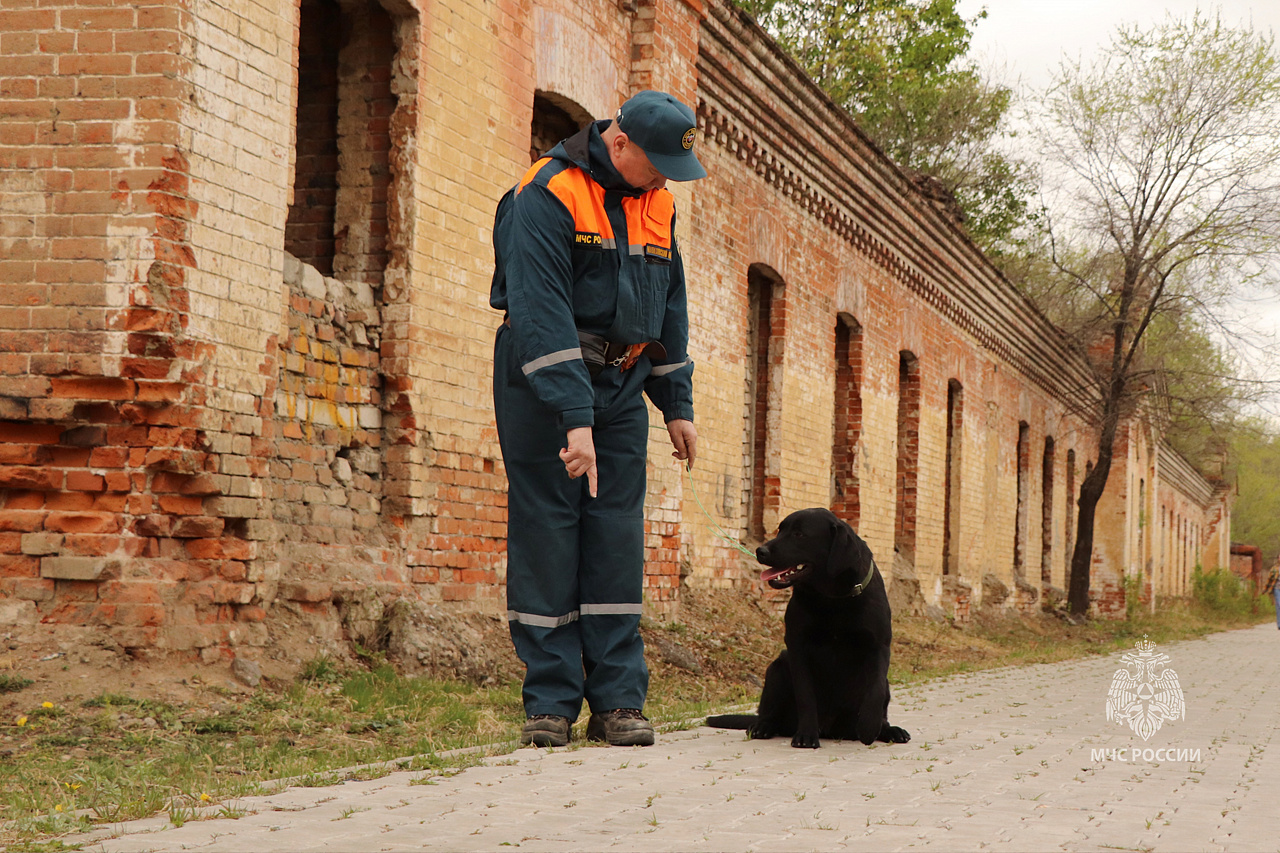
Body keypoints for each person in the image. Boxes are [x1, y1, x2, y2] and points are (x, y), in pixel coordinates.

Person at [490, 90, 706, 747]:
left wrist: (677, 405)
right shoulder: (545, 192)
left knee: (615, 536)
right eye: (657, 163)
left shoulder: (656, 203)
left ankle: (617, 701)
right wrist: (573, 415)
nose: (666, 178)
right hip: (543, 383)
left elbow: (670, 304)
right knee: (549, 531)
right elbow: (538, 307)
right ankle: (550, 702)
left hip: (620, 385)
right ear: (618, 145)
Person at [1264, 558, 1279, 630]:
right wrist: (1265, 589)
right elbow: (1269, 579)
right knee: (1279, 604)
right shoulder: (1274, 569)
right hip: (1276, 588)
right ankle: (1279, 624)